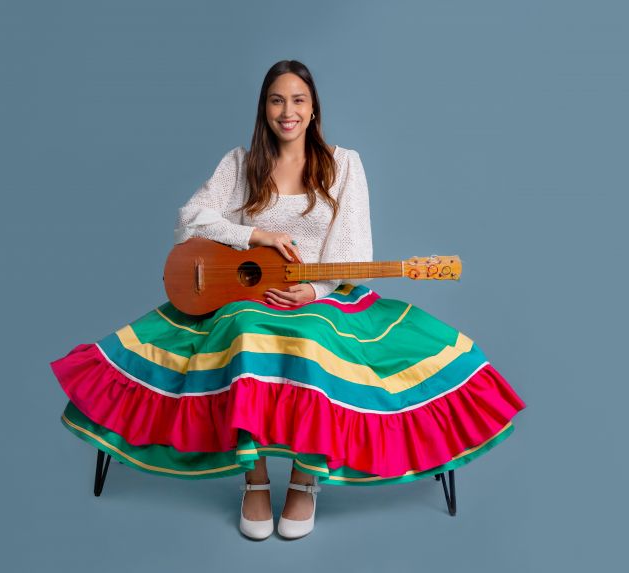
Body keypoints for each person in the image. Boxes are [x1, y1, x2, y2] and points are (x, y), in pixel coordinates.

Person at [50, 60, 526, 541]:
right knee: (242, 329)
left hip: (323, 299)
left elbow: (353, 252)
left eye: (298, 99)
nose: (288, 111)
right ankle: (252, 478)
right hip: (244, 298)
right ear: (264, 109)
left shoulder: (343, 165)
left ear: (314, 107)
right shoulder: (239, 164)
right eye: (277, 100)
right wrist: (255, 233)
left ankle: (304, 479)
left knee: (313, 337)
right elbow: (190, 219)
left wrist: (313, 290)